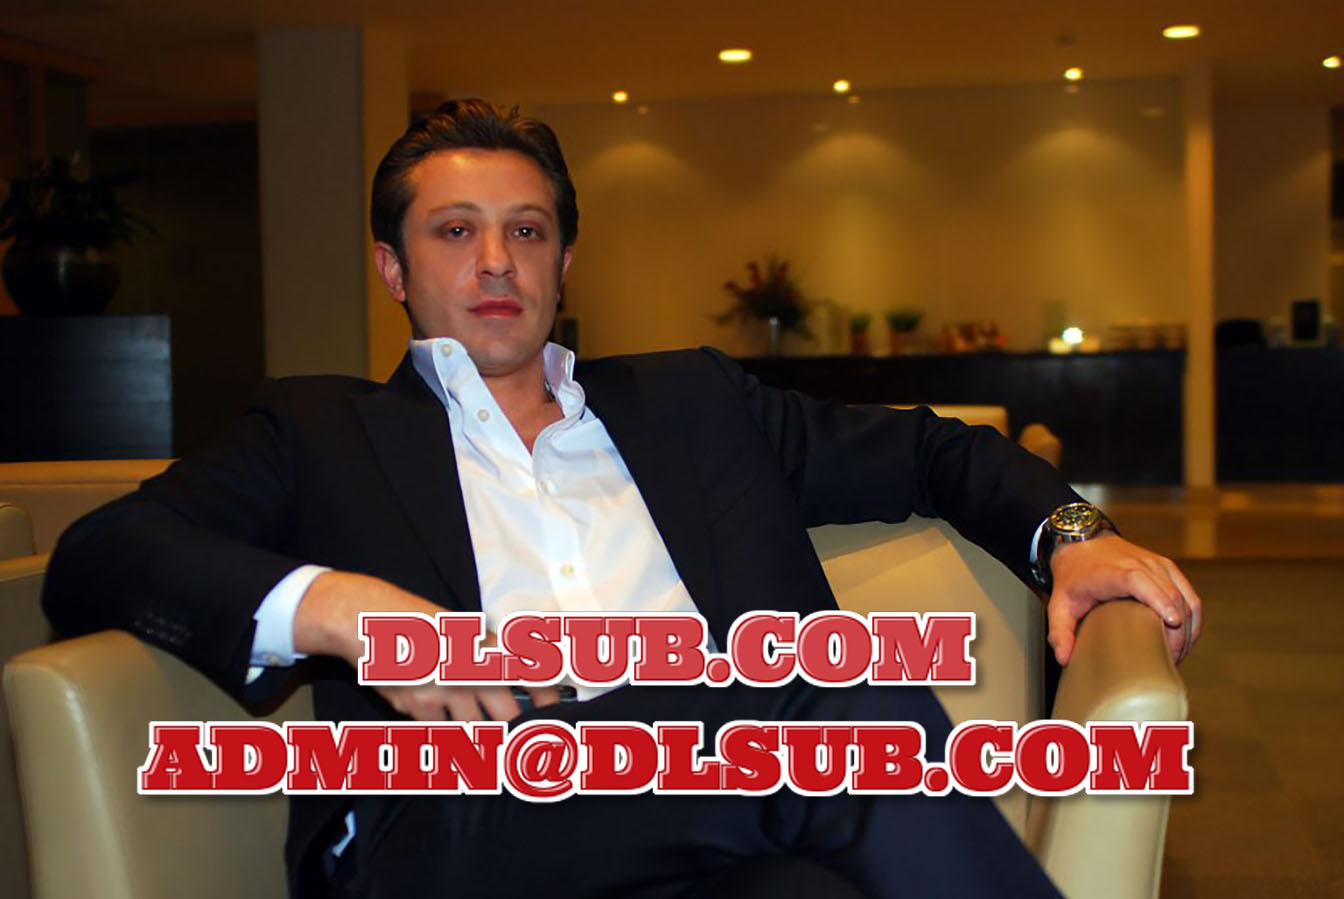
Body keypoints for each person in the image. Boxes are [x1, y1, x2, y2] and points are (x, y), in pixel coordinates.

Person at [43, 99, 1201, 898]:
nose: (496, 260)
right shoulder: (320, 432)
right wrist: (340, 605)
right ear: (394, 268)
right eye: (455, 232)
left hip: (721, 824)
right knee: (829, 700)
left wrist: (1073, 535)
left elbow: (933, 451)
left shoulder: (693, 404)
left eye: (527, 231)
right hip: (455, 824)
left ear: (562, 262)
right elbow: (101, 552)